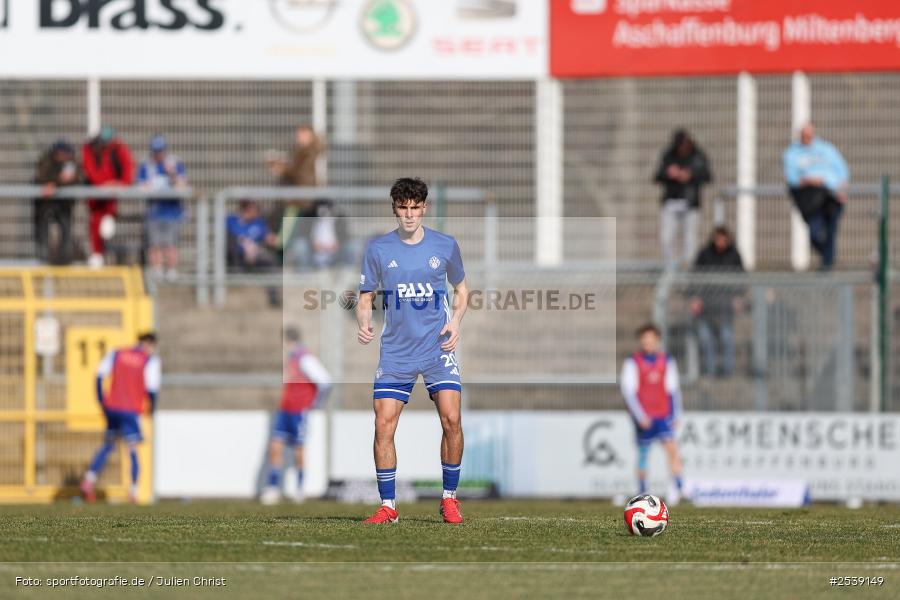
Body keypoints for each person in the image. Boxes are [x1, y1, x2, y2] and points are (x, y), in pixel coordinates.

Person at [356, 177, 469, 524]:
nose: (409, 215)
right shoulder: (378, 250)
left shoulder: (445, 245)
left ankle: (449, 498)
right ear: (394, 209)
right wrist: (364, 321)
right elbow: (365, 297)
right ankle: (388, 506)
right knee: (383, 425)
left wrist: (457, 321)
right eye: (403, 208)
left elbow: (462, 290)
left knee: (451, 419)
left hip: (437, 347)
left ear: (424, 208)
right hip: (396, 352)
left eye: (414, 208)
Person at [80, 332, 160, 504]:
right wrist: (152, 408)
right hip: (130, 410)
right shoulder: (149, 360)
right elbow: (152, 388)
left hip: (112, 407)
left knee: (108, 445)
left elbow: (99, 375)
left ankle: (89, 479)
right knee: (132, 448)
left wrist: (102, 400)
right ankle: (133, 490)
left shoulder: (118, 353)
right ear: (150, 344)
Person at [261, 327, 332, 505]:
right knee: (275, 446)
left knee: (299, 450)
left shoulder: (304, 357)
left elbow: (325, 381)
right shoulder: (292, 358)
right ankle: (273, 488)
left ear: (287, 340)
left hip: (299, 411)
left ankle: (300, 489)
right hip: (285, 408)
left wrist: (316, 403)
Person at [620, 324, 685, 503]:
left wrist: (677, 414)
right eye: (644, 338)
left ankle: (680, 490)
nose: (647, 341)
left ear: (657, 340)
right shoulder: (632, 362)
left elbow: (673, 390)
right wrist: (640, 416)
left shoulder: (667, 361)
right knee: (643, 453)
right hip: (645, 418)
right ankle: (642, 492)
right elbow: (628, 391)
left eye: (651, 338)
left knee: (672, 450)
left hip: (663, 415)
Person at [783, 122, 850, 271]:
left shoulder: (826, 149)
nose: (808, 138)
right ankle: (827, 258)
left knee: (831, 232)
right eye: (805, 135)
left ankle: (827, 266)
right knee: (815, 234)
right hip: (812, 199)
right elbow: (792, 179)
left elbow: (842, 171)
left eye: (810, 134)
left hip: (832, 196)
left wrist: (842, 190)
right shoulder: (792, 154)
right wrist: (810, 180)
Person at [688, 226, 745, 377]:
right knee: (706, 340)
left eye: (723, 239)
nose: (720, 242)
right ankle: (710, 371)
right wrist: (695, 297)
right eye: (718, 238)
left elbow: (741, 278)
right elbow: (695, 277)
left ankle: (727, 371)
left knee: (727, 339)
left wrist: (738, 297)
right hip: (706, 306)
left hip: (725, 306)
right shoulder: (704, 254)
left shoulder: (734, 255)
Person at [654, 129, 712, 270]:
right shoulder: (669, 155)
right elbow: (657, 175)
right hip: (671, 203)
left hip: (690, 204)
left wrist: (690, 175)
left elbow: (707, 176)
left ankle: (688, 269)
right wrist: (670, 174)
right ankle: (670, 268)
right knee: (666, 238)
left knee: (690, 239)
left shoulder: (698, 156)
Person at [82, 126, 135, 268]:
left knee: (107, 226)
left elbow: (127, 174)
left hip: (111, 198)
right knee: (95, 223)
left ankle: (106, 255)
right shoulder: (89, 149)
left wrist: (117, 184)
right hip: (95, 198)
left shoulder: (118, 149)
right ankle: (97, 254)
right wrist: (104, 185)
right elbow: (92, 173)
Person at [137, 135, 187, 281]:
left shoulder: (174, 163)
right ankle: (157, 271)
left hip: (172, 212)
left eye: (160, 151)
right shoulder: (147, 165)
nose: (158, 154)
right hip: (154, 212)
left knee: (171, 244)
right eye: (155, 151)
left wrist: (171, 174)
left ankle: (171, 271)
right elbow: (140, 186)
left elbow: (182, 185)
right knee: (154, 244)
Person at [33, 139, 80, 265]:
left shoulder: (71, 163)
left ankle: (65, 259)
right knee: (42, 230)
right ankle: (42, 259)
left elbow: (72, 178)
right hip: (45, 204)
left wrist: (55, 184)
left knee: (66, 228)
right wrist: (56, 182)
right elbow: (41, 179)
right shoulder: (45, 161)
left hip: (64, 205)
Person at [226, 200, 281, 307]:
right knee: (234, 250)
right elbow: (229, 239)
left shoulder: (258, 222)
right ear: (245, 210)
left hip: (255, 256)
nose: (256, 212)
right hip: (236, 256)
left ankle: (273, 298)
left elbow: (268, 237)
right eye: (254, 210)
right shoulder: (230, 220)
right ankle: (236, 284)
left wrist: (274, 239)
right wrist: (244, 245)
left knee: (270, 261)